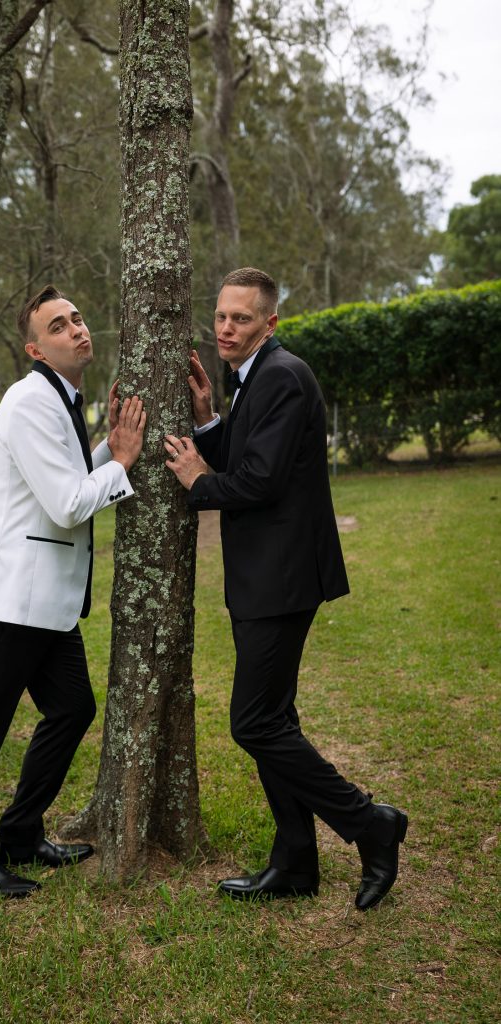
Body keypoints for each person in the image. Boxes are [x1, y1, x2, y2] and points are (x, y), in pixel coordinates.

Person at [164, 267, 407, 910]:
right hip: (266, 576)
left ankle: (369, 823)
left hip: (282, 579)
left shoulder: (281, 375)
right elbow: (249, 452)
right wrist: (210, 421)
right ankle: (296, 861)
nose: (224, 327)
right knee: (275, 717)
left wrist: (196, 479)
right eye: (219, 315)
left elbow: (257, 483)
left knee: (254, 722)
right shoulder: (255, 377)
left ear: (269, 323)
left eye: (240, 318)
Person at [0, 285, 146, 898]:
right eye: (59, 326)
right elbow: (65, 506)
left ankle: (22, 832)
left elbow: (67, 476)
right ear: (36, 347)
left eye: (79, 318)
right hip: (14, 601)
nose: (77, 329)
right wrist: (127, 460)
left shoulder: (61, 399)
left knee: (72, 709)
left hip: (50, 606)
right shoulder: (29, 401)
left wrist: (110, 446)